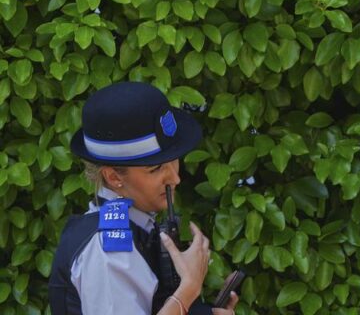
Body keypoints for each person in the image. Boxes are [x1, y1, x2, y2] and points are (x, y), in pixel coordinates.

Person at [49, 81, 241, 315]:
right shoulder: (108, 252)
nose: (175, 178)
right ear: (112, 177)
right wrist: (189, 287)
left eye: (174, 160)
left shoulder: (137, 227)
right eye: (156, 168)